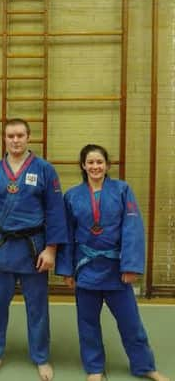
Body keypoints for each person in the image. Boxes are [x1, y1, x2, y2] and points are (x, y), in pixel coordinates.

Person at [56, 144, 170, 381]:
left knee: (131, 323)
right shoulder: (72, 196)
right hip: (85, 269)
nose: (95, 166)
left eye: (100, 162)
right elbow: (66, 234)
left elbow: (132, 229)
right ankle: (95, 368)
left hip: (116, 269)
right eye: (91, 162)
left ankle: (145, 366)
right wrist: (67, 270)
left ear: (107, 165)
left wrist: (130, 266)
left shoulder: (122, 190)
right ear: (83, 166)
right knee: (88, 324)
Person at [0, 118, 68, 381]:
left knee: (37, 307)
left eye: (20, 135)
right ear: (4, 138)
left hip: (34, 250)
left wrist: (51, 250)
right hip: (1, 249)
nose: (15, 140)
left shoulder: (45, 169)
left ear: (28, 137)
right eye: (10, 136)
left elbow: (55, 211)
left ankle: (41, 357)